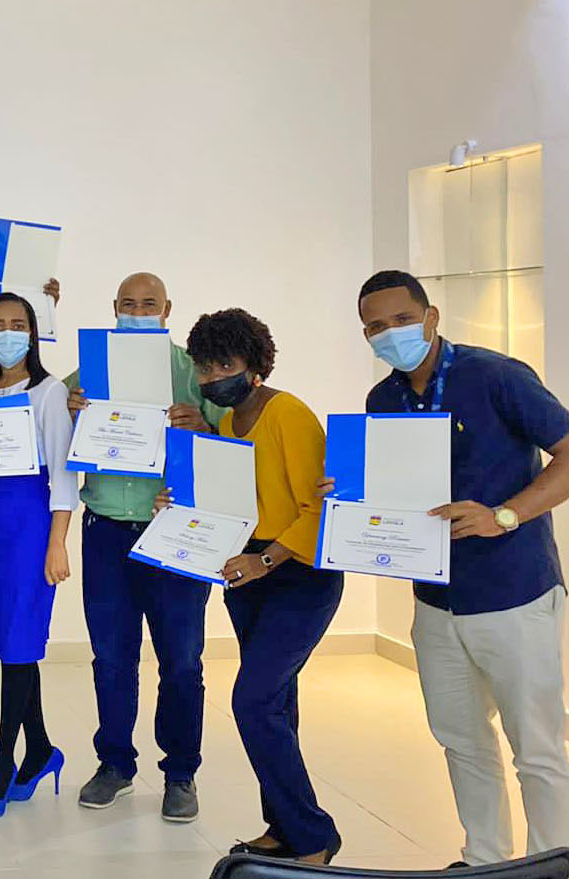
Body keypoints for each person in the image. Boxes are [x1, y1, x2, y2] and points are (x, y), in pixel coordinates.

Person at [355, 270, 569, 867]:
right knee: (461, 739)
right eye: (376, 327)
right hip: (436, 601)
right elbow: (389, 490)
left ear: (431, 317)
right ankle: (484, 861)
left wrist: (505, 516)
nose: (390, 334)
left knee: (537, 747)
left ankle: (552, 863)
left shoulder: (496, 376)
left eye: (402, 320)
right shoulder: (383, 400)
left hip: (513, 593)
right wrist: (346, 497)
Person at [177, 308, 342, 865]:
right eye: (204, 368)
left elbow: (319, 508)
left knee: (252, 700)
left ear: (255, 365)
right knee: (276, 703)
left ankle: (314, 837)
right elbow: (230, 502)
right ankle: (283, 828)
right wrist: (179, 504)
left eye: (224, 365)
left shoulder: (288, 414)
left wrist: (266, 560)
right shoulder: (226, 425)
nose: (212, 377)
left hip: (299, 573)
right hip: (247, 575)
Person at [58, 272, 223, 822]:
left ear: (167, 310)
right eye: (128, 304)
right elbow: (50, 421)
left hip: (174, 534)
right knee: (111, 657)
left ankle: (181, 772)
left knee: (182, 661)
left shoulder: (192, 370)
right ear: (114, 307)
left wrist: (202, 426)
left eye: (148, 304)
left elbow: (230, 444)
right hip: (106, 530)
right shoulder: (90, 369)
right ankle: (114, 765)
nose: (137, 312)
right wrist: (69, 409)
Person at [0, 293, 78, 820]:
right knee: (12, 641)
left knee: (20, 642)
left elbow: (64, 472)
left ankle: (3, 760)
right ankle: (41, 751)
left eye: (18, 323)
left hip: (30, 526)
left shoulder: (50, 392)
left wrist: (57, 541)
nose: (7, 333)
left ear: (32, 332)